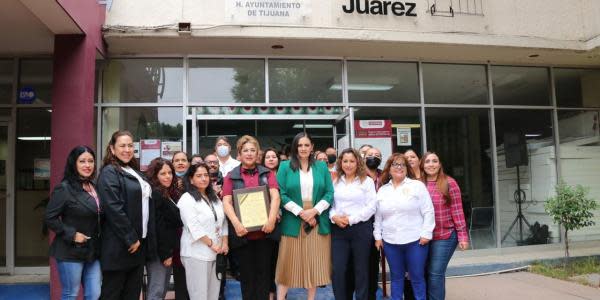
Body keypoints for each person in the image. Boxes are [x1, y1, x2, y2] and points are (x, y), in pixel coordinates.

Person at [97, 130, 156, 300]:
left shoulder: (133, 171)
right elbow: (113, 209)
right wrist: (131, 237)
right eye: (122, 145)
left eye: (130, 145)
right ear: (112, 149)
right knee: (112, 294)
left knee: (131, 294)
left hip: (139, 245)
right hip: (122, 245)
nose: (127, 149)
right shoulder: (109, 172)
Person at [276, 132, 334, 300]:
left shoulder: (322, 167)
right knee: (288, 264)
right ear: (295, 147)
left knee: (314, 263)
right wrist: (301, 212)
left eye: (306, 145)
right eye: (299, 145)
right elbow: (281, 193)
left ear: (312, 147)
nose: (303, 148)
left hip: (317, 219)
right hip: (293, 219)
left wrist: (314, 211)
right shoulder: (285, 166)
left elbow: (329, 193)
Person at [222, 135, 281, 300]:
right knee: (246, 278)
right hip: (242, 236)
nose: (249, 153)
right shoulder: (230, 176)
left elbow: (275, 197)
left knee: (264, 276)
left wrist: (270, 220)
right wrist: (236, 223)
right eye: (245, 150)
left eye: (252, 150)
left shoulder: (267, 174)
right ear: (239, 154)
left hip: (265, 234)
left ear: (258, 154)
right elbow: (226, 202)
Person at [374, 153, 434, 300]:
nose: (399, 167)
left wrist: (426, 233)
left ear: (407, 168)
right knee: (396, 277)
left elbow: (428, 211)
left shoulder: (417, 186)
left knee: (417, 277)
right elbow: (378, 217)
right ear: (389, 168)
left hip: (415, 241)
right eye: (395, 164)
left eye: (403, 165)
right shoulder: (382, 190)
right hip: (390, 242)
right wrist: (378, 237)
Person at [45, 146, 103, 300]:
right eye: (82, 161)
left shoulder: (94, 187)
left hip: (93, 251)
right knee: (71, 294)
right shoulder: (64, 189)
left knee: (94, 294)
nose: (87, 165)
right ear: (74, 163)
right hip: (70, 251)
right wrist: (72, 234)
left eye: (90, 161)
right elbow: (49, 217)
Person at [329, 148, 377, 300]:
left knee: (360, 270)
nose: (348, 164)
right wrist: (334, 217)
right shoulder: (335, 181)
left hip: (361, 229)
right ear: (340, 163)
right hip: (338, 230)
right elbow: (330, 204)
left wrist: (350, 219)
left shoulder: (367, 181)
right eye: (345, 161)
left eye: (352, 161)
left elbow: (371, 207)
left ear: (358, 163)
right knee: (338, 269)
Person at [421, 152, 469, 300]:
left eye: (434, 161)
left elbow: (457, 210)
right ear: (422, 165)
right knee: (426, 272)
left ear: (439, 164)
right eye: (427, 161)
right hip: (423, 237)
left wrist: (463, 236)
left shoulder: (449, 182)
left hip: (445, 236)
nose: (431, 164)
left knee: (435, 273)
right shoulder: (417, 184)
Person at [178, 163, 229, 300]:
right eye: (199, 176)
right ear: (191, 179)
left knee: (213, 295)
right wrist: (212, 244)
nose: (203, 179)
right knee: (199, 295)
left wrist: (225, 242)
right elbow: (194, 227)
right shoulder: (187, 199)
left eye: (206, 175)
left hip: (216, 253)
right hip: (196, 253)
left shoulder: (214, 198)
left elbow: (222, 221)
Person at [145, 158, 184, 300]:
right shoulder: (156, 194)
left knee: (161, 290)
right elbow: (158, 227)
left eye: (170, 173)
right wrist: (165, 254)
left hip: (167, 251)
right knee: (157, 290)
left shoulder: (168, 193)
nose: (168, 176)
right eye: (163, 173)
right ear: (155, 176)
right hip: (159, 253)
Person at [363, 147, 385, 300]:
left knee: (373, 264)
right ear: (363, 157)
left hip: (382, 224)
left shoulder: (386, 176)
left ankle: (371, 294)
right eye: (370, 155)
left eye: (377, 155)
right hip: (361, 223)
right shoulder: (357, 175)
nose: (373, 157)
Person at [262, 147, 282, 300]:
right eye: (267, 157)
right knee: (268, 262)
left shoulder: (285, 175)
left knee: (281, 262)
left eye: (273, 156)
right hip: (265, 225)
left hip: (284, 224)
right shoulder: (260, 175)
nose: (270, 159)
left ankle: (281, 294)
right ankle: (269, 293)